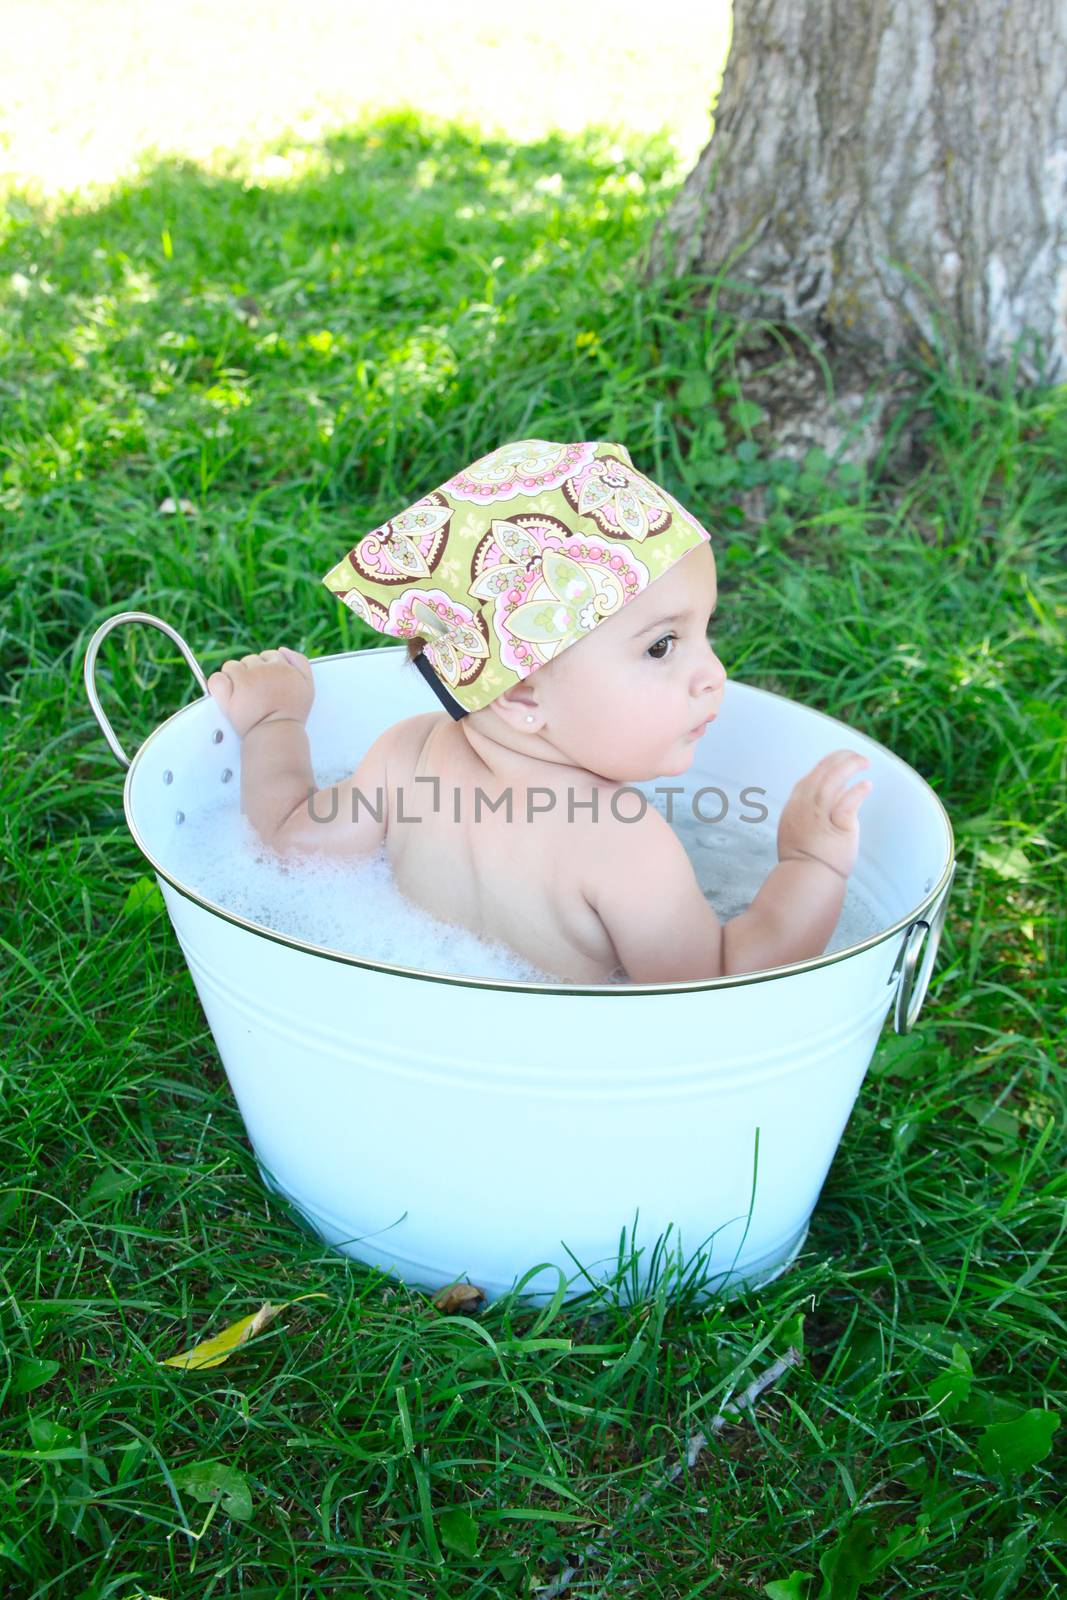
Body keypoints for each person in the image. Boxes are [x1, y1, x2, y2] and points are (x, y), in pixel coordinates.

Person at [207, 438, 872, 983]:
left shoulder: (404, 754)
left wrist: (273, 724)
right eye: (662, 646)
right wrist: (810, 865)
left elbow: (289, 844)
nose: (712, 675)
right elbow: (716, 987)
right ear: (521, 693)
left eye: (704, 632)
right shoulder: (619, 842)